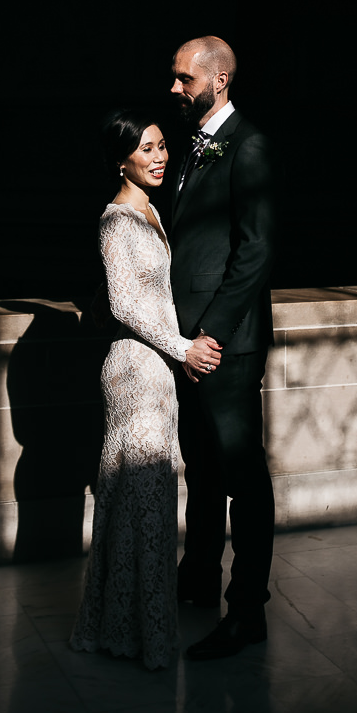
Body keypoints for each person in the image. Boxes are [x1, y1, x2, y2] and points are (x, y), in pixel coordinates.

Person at [70, 110, 223, 671]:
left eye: (162, 146)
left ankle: (125, 630)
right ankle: (142, 637)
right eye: (146, 150)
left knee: (147, 504)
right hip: (135, 371)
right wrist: (184, 348)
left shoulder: (152, 211)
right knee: (144, 502)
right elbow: (127, 306)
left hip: (156, 370)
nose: (159, 157)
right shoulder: (116, 221)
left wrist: (176, 353)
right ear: (121, 160)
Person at [168, 36, 277, 660]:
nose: (176, 88)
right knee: (201, 467)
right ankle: (198, 578)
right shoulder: (194, 146)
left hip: (225, 346)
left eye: (185, 78)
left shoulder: (250, 147)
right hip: (189, 343)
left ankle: (247, 611)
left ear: (221, 79)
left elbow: (255, 251)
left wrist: (210, 332)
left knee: (242, 474)